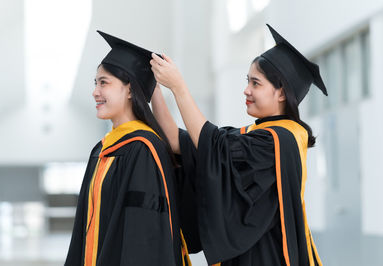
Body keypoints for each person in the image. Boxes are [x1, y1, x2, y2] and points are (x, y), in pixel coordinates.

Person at [150, 24, 327, 265]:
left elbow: (213, 146)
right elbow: (181, 142)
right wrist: (153, 91)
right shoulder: (263, 135)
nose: (246, 90)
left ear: (282, 93)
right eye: (248, 81)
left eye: (256, 83)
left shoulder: (279, 140)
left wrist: (179, 87)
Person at [65, 31, 191, 266]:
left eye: (104, 83)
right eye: (96, 83)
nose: (95, 92)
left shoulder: (143, 150)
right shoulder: (102, 149)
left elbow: (143, 236)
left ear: (131, 90)